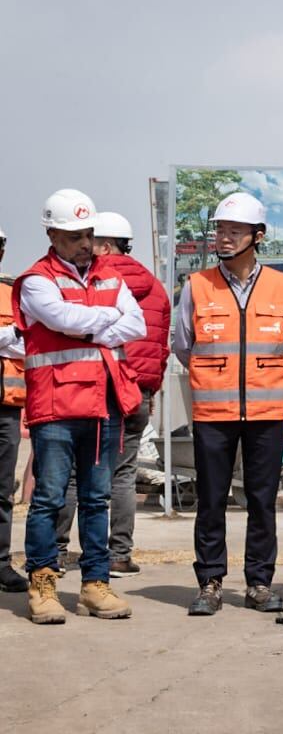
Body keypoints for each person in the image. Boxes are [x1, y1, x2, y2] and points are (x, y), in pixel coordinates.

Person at [15, 189, 144, 624]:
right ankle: (42, 584)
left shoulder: (109, 275)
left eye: (89, 234)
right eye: (75, 236)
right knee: (49, 499)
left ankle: (95, 584)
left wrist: (89, 325)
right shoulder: (36, 280)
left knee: (96, 500)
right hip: (55, 406)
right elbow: (62, 319)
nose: (86, 244)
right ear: (52, 235)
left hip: (102, 405)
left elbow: (136, 324)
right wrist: (106, 320)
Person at [172, 191, 283, 616]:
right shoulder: (196, 285)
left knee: (262, 502)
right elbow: (183, 346)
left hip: (266, 413)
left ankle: (259, 583)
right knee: (211, 500)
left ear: (257, 236)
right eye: (220, 230)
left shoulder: (281, 286)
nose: (224, 237)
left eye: (234, 230)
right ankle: (210, 583)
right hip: (214, 412)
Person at [55, 211, 171, 577]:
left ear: (105, 246)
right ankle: (119, 554)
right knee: (123, 474)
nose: (84, 248)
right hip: (137, 392)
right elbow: (162, 347)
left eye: (89, 241)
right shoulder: (156, 288)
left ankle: (56, 552)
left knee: (73, 472)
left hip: (93, 387)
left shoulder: (95, 283)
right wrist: (149, 388)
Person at [0, 223, 29, 593]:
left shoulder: (12, 294)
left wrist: (9, 339)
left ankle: (1, 564)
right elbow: (14, 339)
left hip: (6, 409)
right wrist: (7, 337)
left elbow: (26, 342)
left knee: (2, 490)